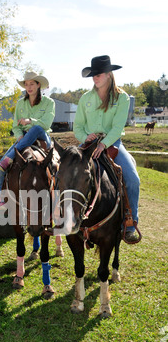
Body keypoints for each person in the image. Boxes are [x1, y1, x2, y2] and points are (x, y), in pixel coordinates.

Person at [73, 55, 140, 242]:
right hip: (88, 145)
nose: (95, 77)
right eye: (93, 74)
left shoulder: (122, 98)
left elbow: (118, 127)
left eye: (99, 74)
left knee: (133, 179)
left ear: (109, 75)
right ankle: (62, 217)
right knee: (65, 172)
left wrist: (104, 143)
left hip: (112, 143)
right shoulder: (85, 99)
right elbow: (77, 126)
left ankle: (130, 222)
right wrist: (85, 137)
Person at [0, 71, 55, 209]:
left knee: (35, 129)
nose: (29, 87)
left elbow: (46, 124)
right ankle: (1, 199)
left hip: (41, 134)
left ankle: (57, 202)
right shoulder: (20, 103)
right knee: (0, 167)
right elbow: (15, 126)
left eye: (32, 84)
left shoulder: (49, 102)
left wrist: (30, 121)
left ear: (38, 84)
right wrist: (20, 136)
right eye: (26, 84)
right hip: (24, 137)